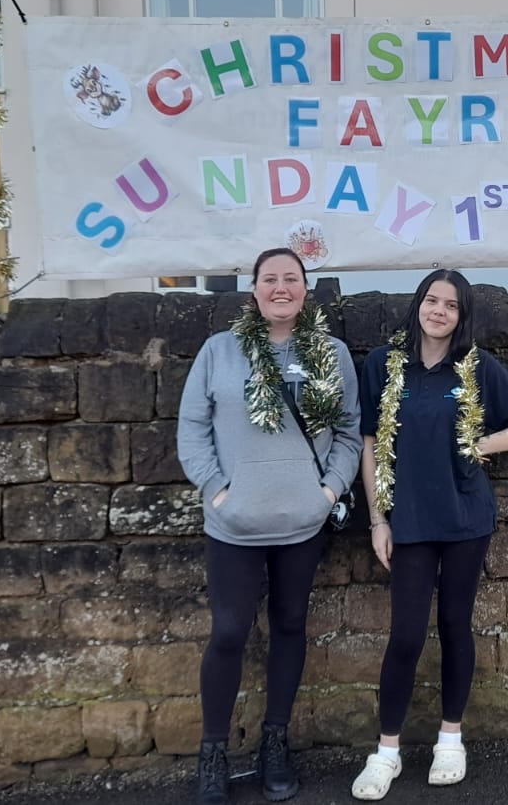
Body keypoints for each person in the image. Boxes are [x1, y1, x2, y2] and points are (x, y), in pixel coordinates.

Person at [350, 270, 508, 800]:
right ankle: (386, 752)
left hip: (465, 518)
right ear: (418, 304)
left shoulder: (476, 366)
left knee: (456, 627)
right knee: (407, 637)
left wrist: (481, 444)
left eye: (452, 305)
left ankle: (450, 740)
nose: (439, 311)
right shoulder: (383, 365)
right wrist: (377, 519)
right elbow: (369, 442)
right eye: (432, 300)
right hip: (409, 520)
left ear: (462, 317)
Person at [177, 248, 361, 805]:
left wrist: (326, 491)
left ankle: (273, 743)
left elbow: (351, 432)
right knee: (229, 633)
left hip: (301, 524)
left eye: (291, 279)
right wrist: (218, 490)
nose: (280, 287)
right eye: (269, 279)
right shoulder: (219, 352)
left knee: (289, 627)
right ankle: (213, 752)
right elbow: (192, 429)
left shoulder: (331, 354)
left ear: (306, 290)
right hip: (233, 524)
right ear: (253, 290)